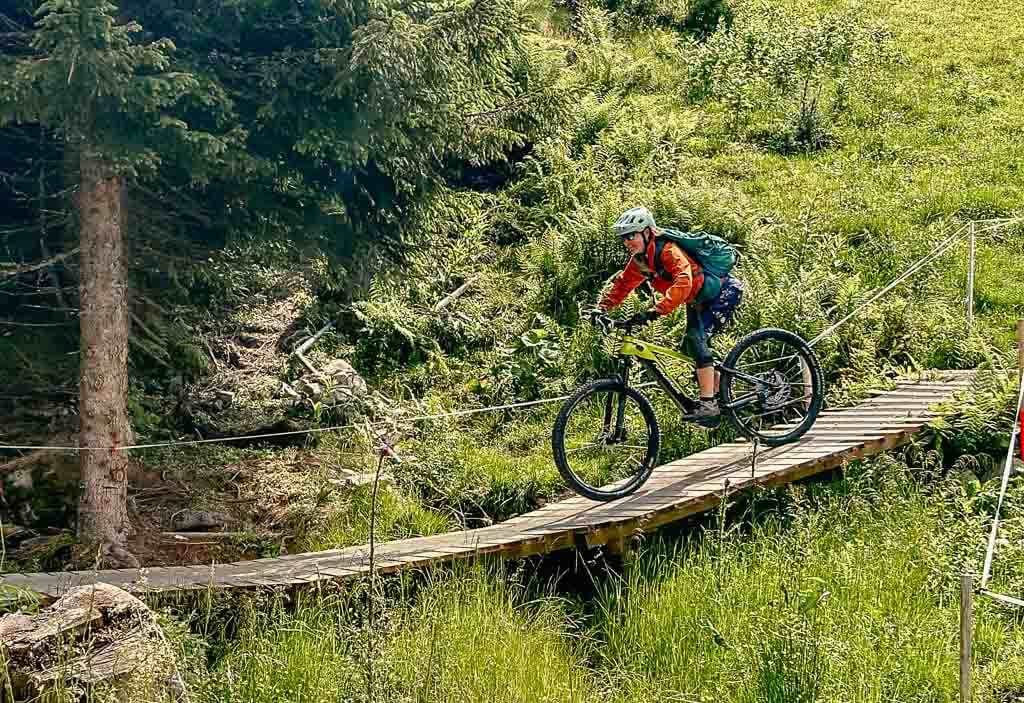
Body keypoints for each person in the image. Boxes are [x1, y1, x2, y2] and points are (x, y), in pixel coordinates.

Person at [591, 206, 744, 428]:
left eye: (630, 235)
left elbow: (684, 281)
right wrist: (601, 308)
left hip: (723, 292)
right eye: (623, 238)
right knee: (689, 349)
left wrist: (656, 310)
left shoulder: (668, 251)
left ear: (646, 232)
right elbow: (623, 285)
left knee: (697, 340)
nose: (626, 241)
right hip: (697, 300)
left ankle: (709, 404)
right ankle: (721, 395)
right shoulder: (640, 261)